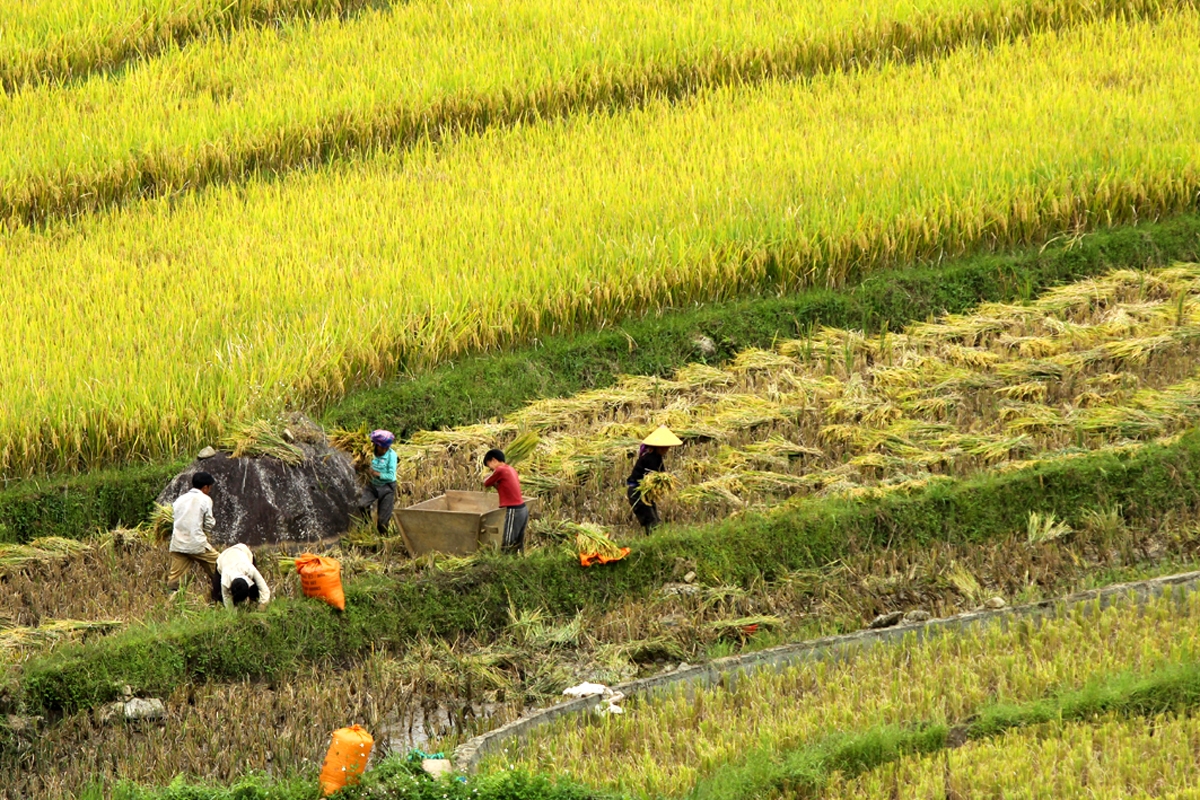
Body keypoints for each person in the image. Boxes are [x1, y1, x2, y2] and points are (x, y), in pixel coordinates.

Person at [167, 471, 219, 594]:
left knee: (175, 578)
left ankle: (171, 598)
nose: (209, 490)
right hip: (196, 543)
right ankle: (220, 592)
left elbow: (175, 517)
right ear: (205, 487)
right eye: (209, 488)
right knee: (220, 564)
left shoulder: (180, 499)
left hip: (178, 543)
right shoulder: (205, 499)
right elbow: (209, 523)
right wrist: (206, 532)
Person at [626, 426, 682, 533]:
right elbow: (652, 477)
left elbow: (660, 473)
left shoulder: (656, 457)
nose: (667, 450)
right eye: (665, 447)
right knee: (651, 522)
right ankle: (652, 544)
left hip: (645, 493)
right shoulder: (649, 458)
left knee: (655, 521)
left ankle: (655, 541)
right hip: (637, 492)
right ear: (658, 447)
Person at [482, 448, 528, 554]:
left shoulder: (500, 470)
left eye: (489, 465)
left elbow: (486, 482)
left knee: (508, 541)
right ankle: (516, 562)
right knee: (517, 542)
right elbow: (502, 487)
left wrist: (485, 477)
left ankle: (504, 564)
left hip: (514, 510)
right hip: (522, 509)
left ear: (493, 460)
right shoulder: (510, 469)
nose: (491, 469)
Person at [357, 429, 398, 535]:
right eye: (382, 447)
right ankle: (367, 524)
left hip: (387, 487)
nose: (384, 450)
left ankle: (383, 539)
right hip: (373, 486)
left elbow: (390, 475)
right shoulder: (369, 453)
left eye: (386, 448)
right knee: (362, 505)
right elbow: (361, 464)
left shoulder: (391, 456)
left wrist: (376, 473)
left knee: (382, 522)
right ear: (376, 445)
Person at [210, 543, 271, 610]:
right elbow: (226, 597)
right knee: (217, 593)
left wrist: (262, 605)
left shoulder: (250, 569)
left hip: (242, 550)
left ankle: (253, 604)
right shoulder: (225, 580)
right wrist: (232, 613)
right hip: (224, 558)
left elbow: (264, 589)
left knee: (255, 589)